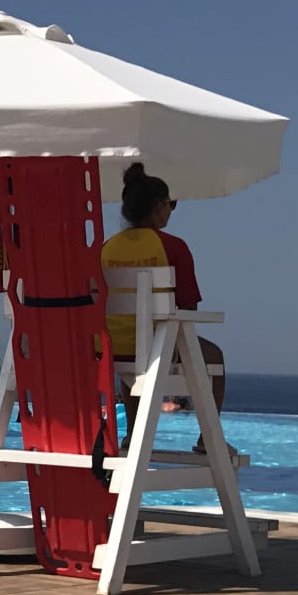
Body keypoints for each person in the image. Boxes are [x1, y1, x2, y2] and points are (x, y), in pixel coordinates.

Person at [103, 163, 228, 454]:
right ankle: (208, 440)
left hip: (112, 347)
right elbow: (189, 308)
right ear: (159, 205)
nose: (171, 211)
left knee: (133, 357)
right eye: (171, 204)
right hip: (157, 348)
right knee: (215, 358)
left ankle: (132, 435)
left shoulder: (107, 247)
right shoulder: (173, 247)